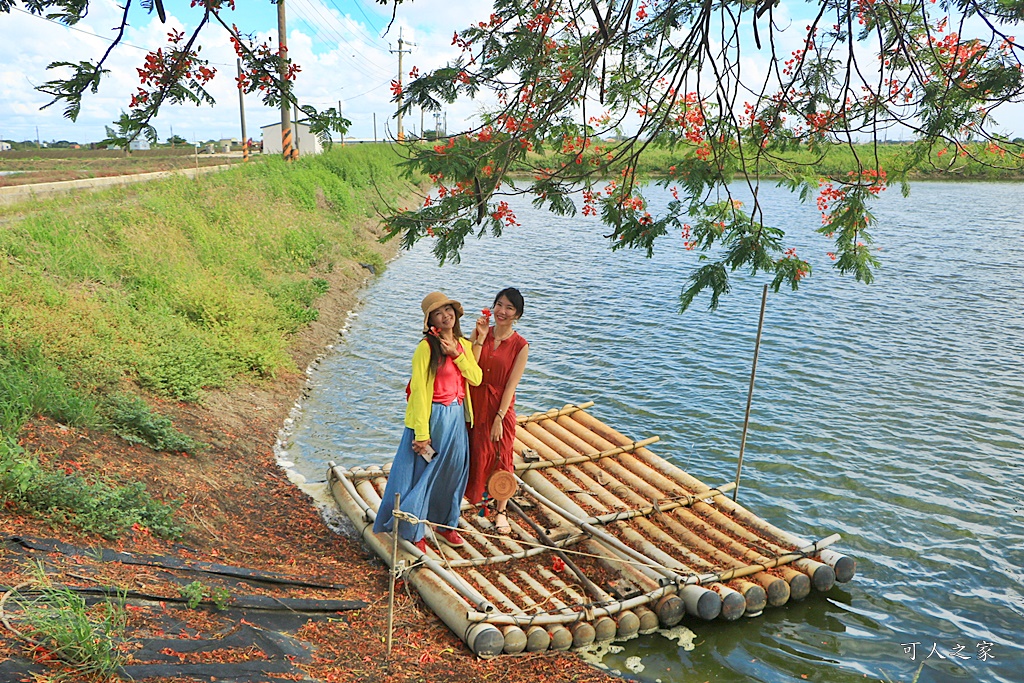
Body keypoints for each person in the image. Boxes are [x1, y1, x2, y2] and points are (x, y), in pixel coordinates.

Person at [373, 292, 482, 553]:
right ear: (430, 319)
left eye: (448, 310)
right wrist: (422, 434)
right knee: (424, 475)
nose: (445, 316)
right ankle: (414, 531)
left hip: (457, 417)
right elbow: (420, 392)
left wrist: (457, 354)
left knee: (454, 473)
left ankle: (446, 525)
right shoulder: (426, 348)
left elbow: (476, 378)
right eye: (438, 313)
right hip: (433, 416)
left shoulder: (463, 345)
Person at [466, 287, 529, 535]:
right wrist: (480, 337)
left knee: (502, 455)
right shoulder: (482, 333)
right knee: (472, 451)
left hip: (500, 405)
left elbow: (512, 384)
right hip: (475, 401)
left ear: (517, 314)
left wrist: (500, 417)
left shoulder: (520, 345)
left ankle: (501, 512)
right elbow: (470, 366)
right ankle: (470, 498)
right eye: (499, 305)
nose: (502, 311)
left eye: (509, 308)